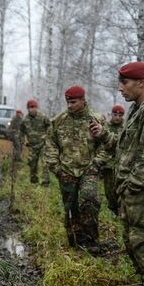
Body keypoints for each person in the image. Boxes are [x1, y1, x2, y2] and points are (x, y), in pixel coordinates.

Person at [90, 61, 144, 286]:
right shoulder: (139, 108)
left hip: (143, 191)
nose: (120, 88)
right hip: (133, 189)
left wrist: (132, 186)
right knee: (134, 239)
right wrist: (103, 135)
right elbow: (127, 149)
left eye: (124, 83)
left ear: (141, 82)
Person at [44, 86, 107, 253]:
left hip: (89, 169)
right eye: (68, 102)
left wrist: (97, 163)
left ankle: (92, 240)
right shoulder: (59, 120)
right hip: (66, 170)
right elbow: (50, 144)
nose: (69, 105)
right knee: (70, 206)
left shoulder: (97, 119)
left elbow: (105, 145)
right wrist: (56, 167)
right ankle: (76, 240)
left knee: (89, 200)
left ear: (83, 101)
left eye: (73, 102)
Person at [100, 105, 125, 214]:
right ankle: (112, 209)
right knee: (109, 191)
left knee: (121, 189)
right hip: (108, 164)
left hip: (122, 164)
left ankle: (121, 211)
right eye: (115, 115)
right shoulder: (105, 126)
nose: (117, 117)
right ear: (111, 114)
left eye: (120, 115)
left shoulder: (126, 127)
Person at [20, 99, 52, 185]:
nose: (31, 109)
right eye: (29, 108)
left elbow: (50, 126)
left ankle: (45, 182)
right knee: (32, 163)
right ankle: (33, 180)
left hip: (43, 145)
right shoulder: (25, 120)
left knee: (45, 163)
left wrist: (47, 136)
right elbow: (21, 132)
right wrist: (23, 141)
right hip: (32, 146)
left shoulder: (43, 117)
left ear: (36, 107)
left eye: (33, 107)